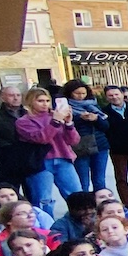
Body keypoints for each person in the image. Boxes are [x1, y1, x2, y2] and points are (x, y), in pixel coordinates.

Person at [15, 86, 81, 216]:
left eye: (47, 100)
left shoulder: (56, 115)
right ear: (30, 102)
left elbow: (74, 140)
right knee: (43, 199)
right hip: (41, 163)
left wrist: (68, 124)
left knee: (76, 194)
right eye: (40, 101)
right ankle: (47, 229)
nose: (45, 104)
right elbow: (41, 138)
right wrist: (55, 121)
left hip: (64, 158)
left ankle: (82, 222)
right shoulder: (23, 121)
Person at [0, 85, 40, 201]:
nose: (16, 98)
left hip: (30, 161)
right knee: (10, 196)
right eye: (11, 95)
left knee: (34, 196)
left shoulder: (30, 114)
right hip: (7, 163)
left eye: (18, 95)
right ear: (2, 97)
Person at [62, 80, 109, 192]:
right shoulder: (65, 106)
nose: (81, 96)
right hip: (80, 146)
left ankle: (101, 205)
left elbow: (105, 126)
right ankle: (84, 206)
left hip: (99, 145)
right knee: (83, 181)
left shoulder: (92, 104)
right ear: (70, 93)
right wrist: (78, 119)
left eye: (83, 93)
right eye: (77, 93)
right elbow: (64, 127)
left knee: (99, 180)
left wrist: (96, 119)